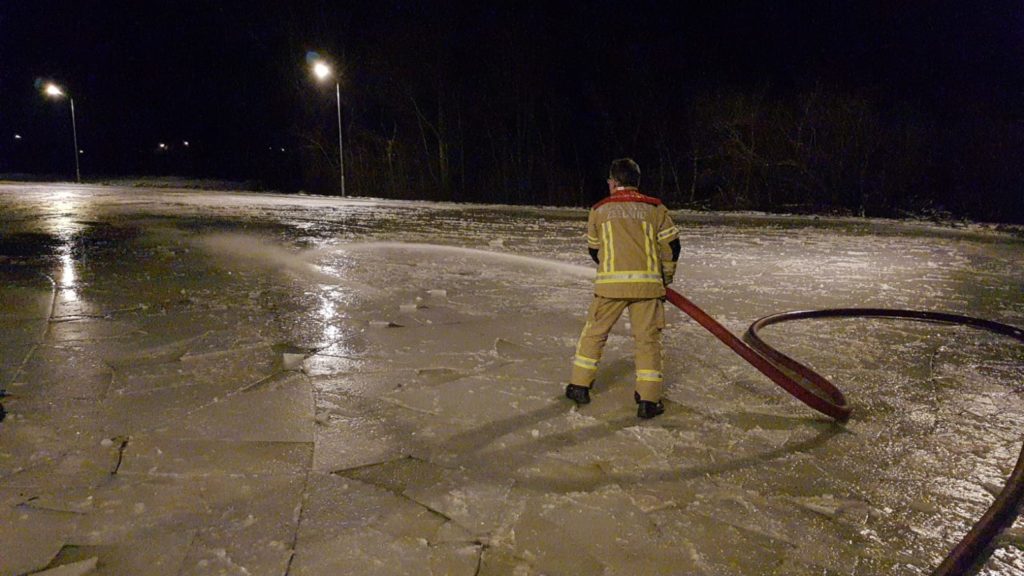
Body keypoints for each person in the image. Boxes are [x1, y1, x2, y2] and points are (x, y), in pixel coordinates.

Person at [566, 158, 680, 418]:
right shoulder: (655, 208)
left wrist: (611, 267)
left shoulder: (599, 210)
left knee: (594, 334)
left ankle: (580, 387)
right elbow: (672, 246)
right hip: (647, 288)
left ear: (614, 182)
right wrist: (665, 277)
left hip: (610, 288)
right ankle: (648, 400)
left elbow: (594, 250)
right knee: (647, 341)